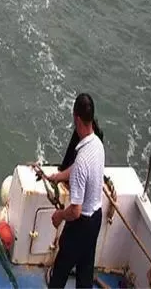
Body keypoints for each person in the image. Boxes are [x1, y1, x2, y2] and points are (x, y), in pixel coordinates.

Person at [47, 93, 105, 288]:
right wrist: (59, 176)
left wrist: (59, 215)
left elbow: (75, 210)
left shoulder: (81, 160)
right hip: (96, 219)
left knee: (60, 272)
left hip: (81, 225)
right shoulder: (97, 145)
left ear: (77, 119)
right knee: (85, 272)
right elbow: (80, 168)